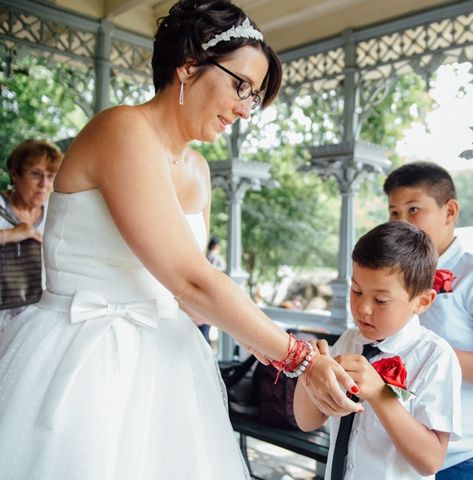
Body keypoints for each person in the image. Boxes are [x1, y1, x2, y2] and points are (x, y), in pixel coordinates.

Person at [0, 2, 361, 478]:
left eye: (253, 96)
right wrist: (297, 358)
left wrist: (271, 341)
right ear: (189, 67)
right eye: (240, 85)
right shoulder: (122, 129)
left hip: (167, 366)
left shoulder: (199, 171)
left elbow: (195, 299)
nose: (244, 109)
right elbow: (191, 279)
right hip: (86, 357)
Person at [383, 161, 473, 480]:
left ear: (450, 212)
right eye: (394, 212)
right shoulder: (393, 279)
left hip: (468, 458)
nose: (401, 222)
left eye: (413, 210)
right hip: (404, 449)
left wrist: (427, 357)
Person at [294, 221, 462, 480]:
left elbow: (430, 461)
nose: (364, 308)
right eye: (356, 291)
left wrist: (380, 394)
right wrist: (310, 369)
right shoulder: (350, 341)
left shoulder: (435, 357)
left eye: (381, 300)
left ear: (423, 301)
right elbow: (307, 422)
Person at [0, 139, 62, 333]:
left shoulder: (55, 212)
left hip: (36, 313)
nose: (44, 183)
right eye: (36, 174)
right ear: (15, 173)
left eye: (51, 176)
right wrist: (10, 234)